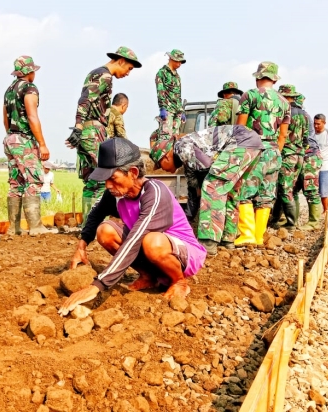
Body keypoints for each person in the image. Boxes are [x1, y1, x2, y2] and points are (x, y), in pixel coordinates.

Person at [58, 138, 207, 316]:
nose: (108, 185)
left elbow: (137, 237)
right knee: (105, 231)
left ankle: (179, 281)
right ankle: (149, 276)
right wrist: (81, 246)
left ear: (133, 173)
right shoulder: (116, 194)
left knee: (152, 241)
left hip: (183, 253)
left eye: (112, 178)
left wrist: (97, 285)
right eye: (105, 180)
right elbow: (96, 214)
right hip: (148, 247)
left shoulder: (155, 192)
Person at [150, 125, 264, 255]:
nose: (163, 170)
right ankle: (228, 239)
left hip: (240, 143)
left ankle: (208, 241)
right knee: (230, 192)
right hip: (253, 144)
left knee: (211, 186)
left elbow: (206, 165)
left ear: (165, 156)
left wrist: (204, 188)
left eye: (160, 165)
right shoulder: (186, 151)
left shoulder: (180, 147)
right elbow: (195, 186)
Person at [66, 47, 142, 224]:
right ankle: (97, 224)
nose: (128, 73)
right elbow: (85, 100)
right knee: (104, 178)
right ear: (121, 61)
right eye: (129, 68)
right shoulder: (105, 76)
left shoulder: (95, 73)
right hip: (93, 130)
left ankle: (87, 225)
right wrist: (78, 126)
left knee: (91, 181)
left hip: (87, 130)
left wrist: (79, 128)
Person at [234, 61, 290, 246]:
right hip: (274, 152)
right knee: (266, 195)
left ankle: (247, 234)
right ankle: (258, 235)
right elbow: (283, 134)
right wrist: (275, 152)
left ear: (258, 77)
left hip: (254, 150)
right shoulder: (284, 102)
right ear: (274, 79)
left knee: (244, 192)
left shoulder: (249, 96)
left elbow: (240, 129)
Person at [2, 55, 53, 236]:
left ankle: (14, 228)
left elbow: (5, 119)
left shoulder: (9, 90)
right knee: (33, 180)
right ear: (29, 72)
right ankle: (36, 226)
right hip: (24, 139)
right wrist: (42, 144)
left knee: (16, 183)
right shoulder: (29, 88)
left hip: (10, 139)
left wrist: (12, 137)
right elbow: (32, 116)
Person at [268, 84, 308, 232]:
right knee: (286, 188)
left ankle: (291, 224)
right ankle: (276, 219)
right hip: (299, 156)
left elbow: (281, 134)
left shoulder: (284, 110)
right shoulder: (304, 114)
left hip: (287, 155)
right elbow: (306, 138)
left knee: (285, 190)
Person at [293, 93, 323, 230]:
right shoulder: (303, 114)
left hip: (309, 155)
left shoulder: (301, 115)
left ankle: (313, 222)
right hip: (301, 154)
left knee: (310, 188)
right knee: (293, 188)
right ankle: (292, 221)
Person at [156, 49, 186, 142]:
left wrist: (181, 110)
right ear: (171, 59)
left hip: (177, 111)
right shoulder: (162, 73)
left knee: (175, 139)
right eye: (178, 61)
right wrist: (162, 108)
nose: (179, 64)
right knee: (165, 139)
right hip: (168, 110)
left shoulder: (177, 76)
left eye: (181, 62)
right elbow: (160, 91)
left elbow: (178, 94)